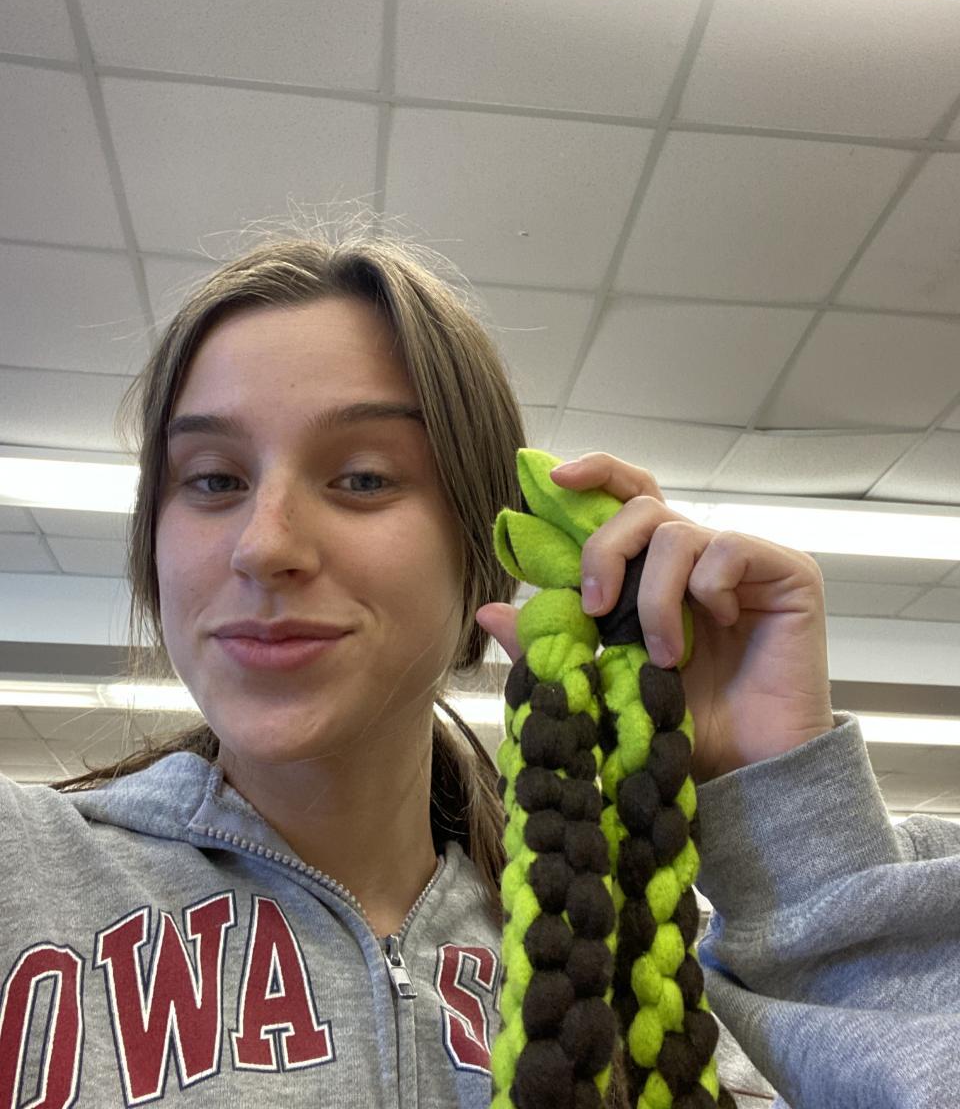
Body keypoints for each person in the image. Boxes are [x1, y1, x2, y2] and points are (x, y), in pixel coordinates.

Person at [0, 215, 956, 1109]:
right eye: (213, 479)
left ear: (484, 547)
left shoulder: (636, 970)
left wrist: (794, 836)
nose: (264, 544)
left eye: (363, 478)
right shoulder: (23, 875)